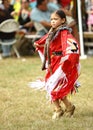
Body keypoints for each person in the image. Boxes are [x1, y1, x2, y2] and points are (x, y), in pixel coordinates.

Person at [34, 10, 80, 119]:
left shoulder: (64, 33)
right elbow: (46, 40)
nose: (53, 21)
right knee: (50, 85)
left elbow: (72, 44)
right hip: (53, 62)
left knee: (54, 86)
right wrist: (38, 43)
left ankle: (59, 109)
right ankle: (68, 107)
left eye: (56, 19)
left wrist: (69, 58)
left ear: (63, 20)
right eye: (51, 19)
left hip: (62, 63)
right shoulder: (52, 32)